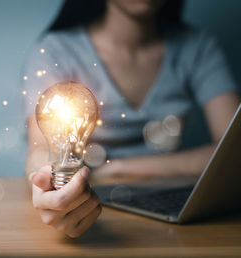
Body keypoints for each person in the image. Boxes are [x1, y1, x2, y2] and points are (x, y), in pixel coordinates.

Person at [22, 0, 240, 238]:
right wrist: (50, 186)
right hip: (95, 200)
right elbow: (41, 150)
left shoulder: (196, 47)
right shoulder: (56, 51)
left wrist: (115, 168)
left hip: (168, 207)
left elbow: (232, 153)